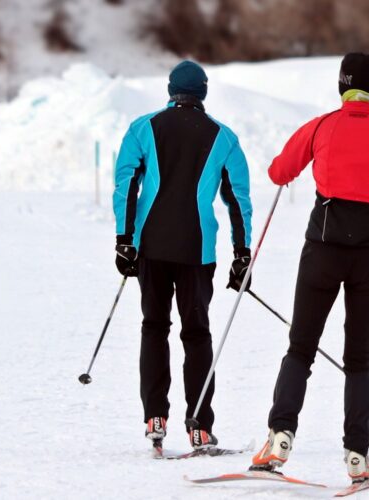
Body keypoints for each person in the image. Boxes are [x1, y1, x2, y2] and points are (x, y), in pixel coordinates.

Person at [251, 53, 369, 481]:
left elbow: (279, 172)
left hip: (322, 250)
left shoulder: (321, 126)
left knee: (301, 346)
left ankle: (280, 437)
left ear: (341, 86)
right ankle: (357, 455)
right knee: (359, 357)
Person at [112, 60, 253, 451]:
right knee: (196, 334)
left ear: (171, 90)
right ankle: (199, 426)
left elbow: (127, 185)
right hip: (197, 250)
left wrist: (124, 240)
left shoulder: (142, 128)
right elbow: (238, 201)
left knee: (154, 327)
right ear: (203, 92)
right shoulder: (223, 137)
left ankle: (155, 417)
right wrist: (243, 254)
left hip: (151, 247)